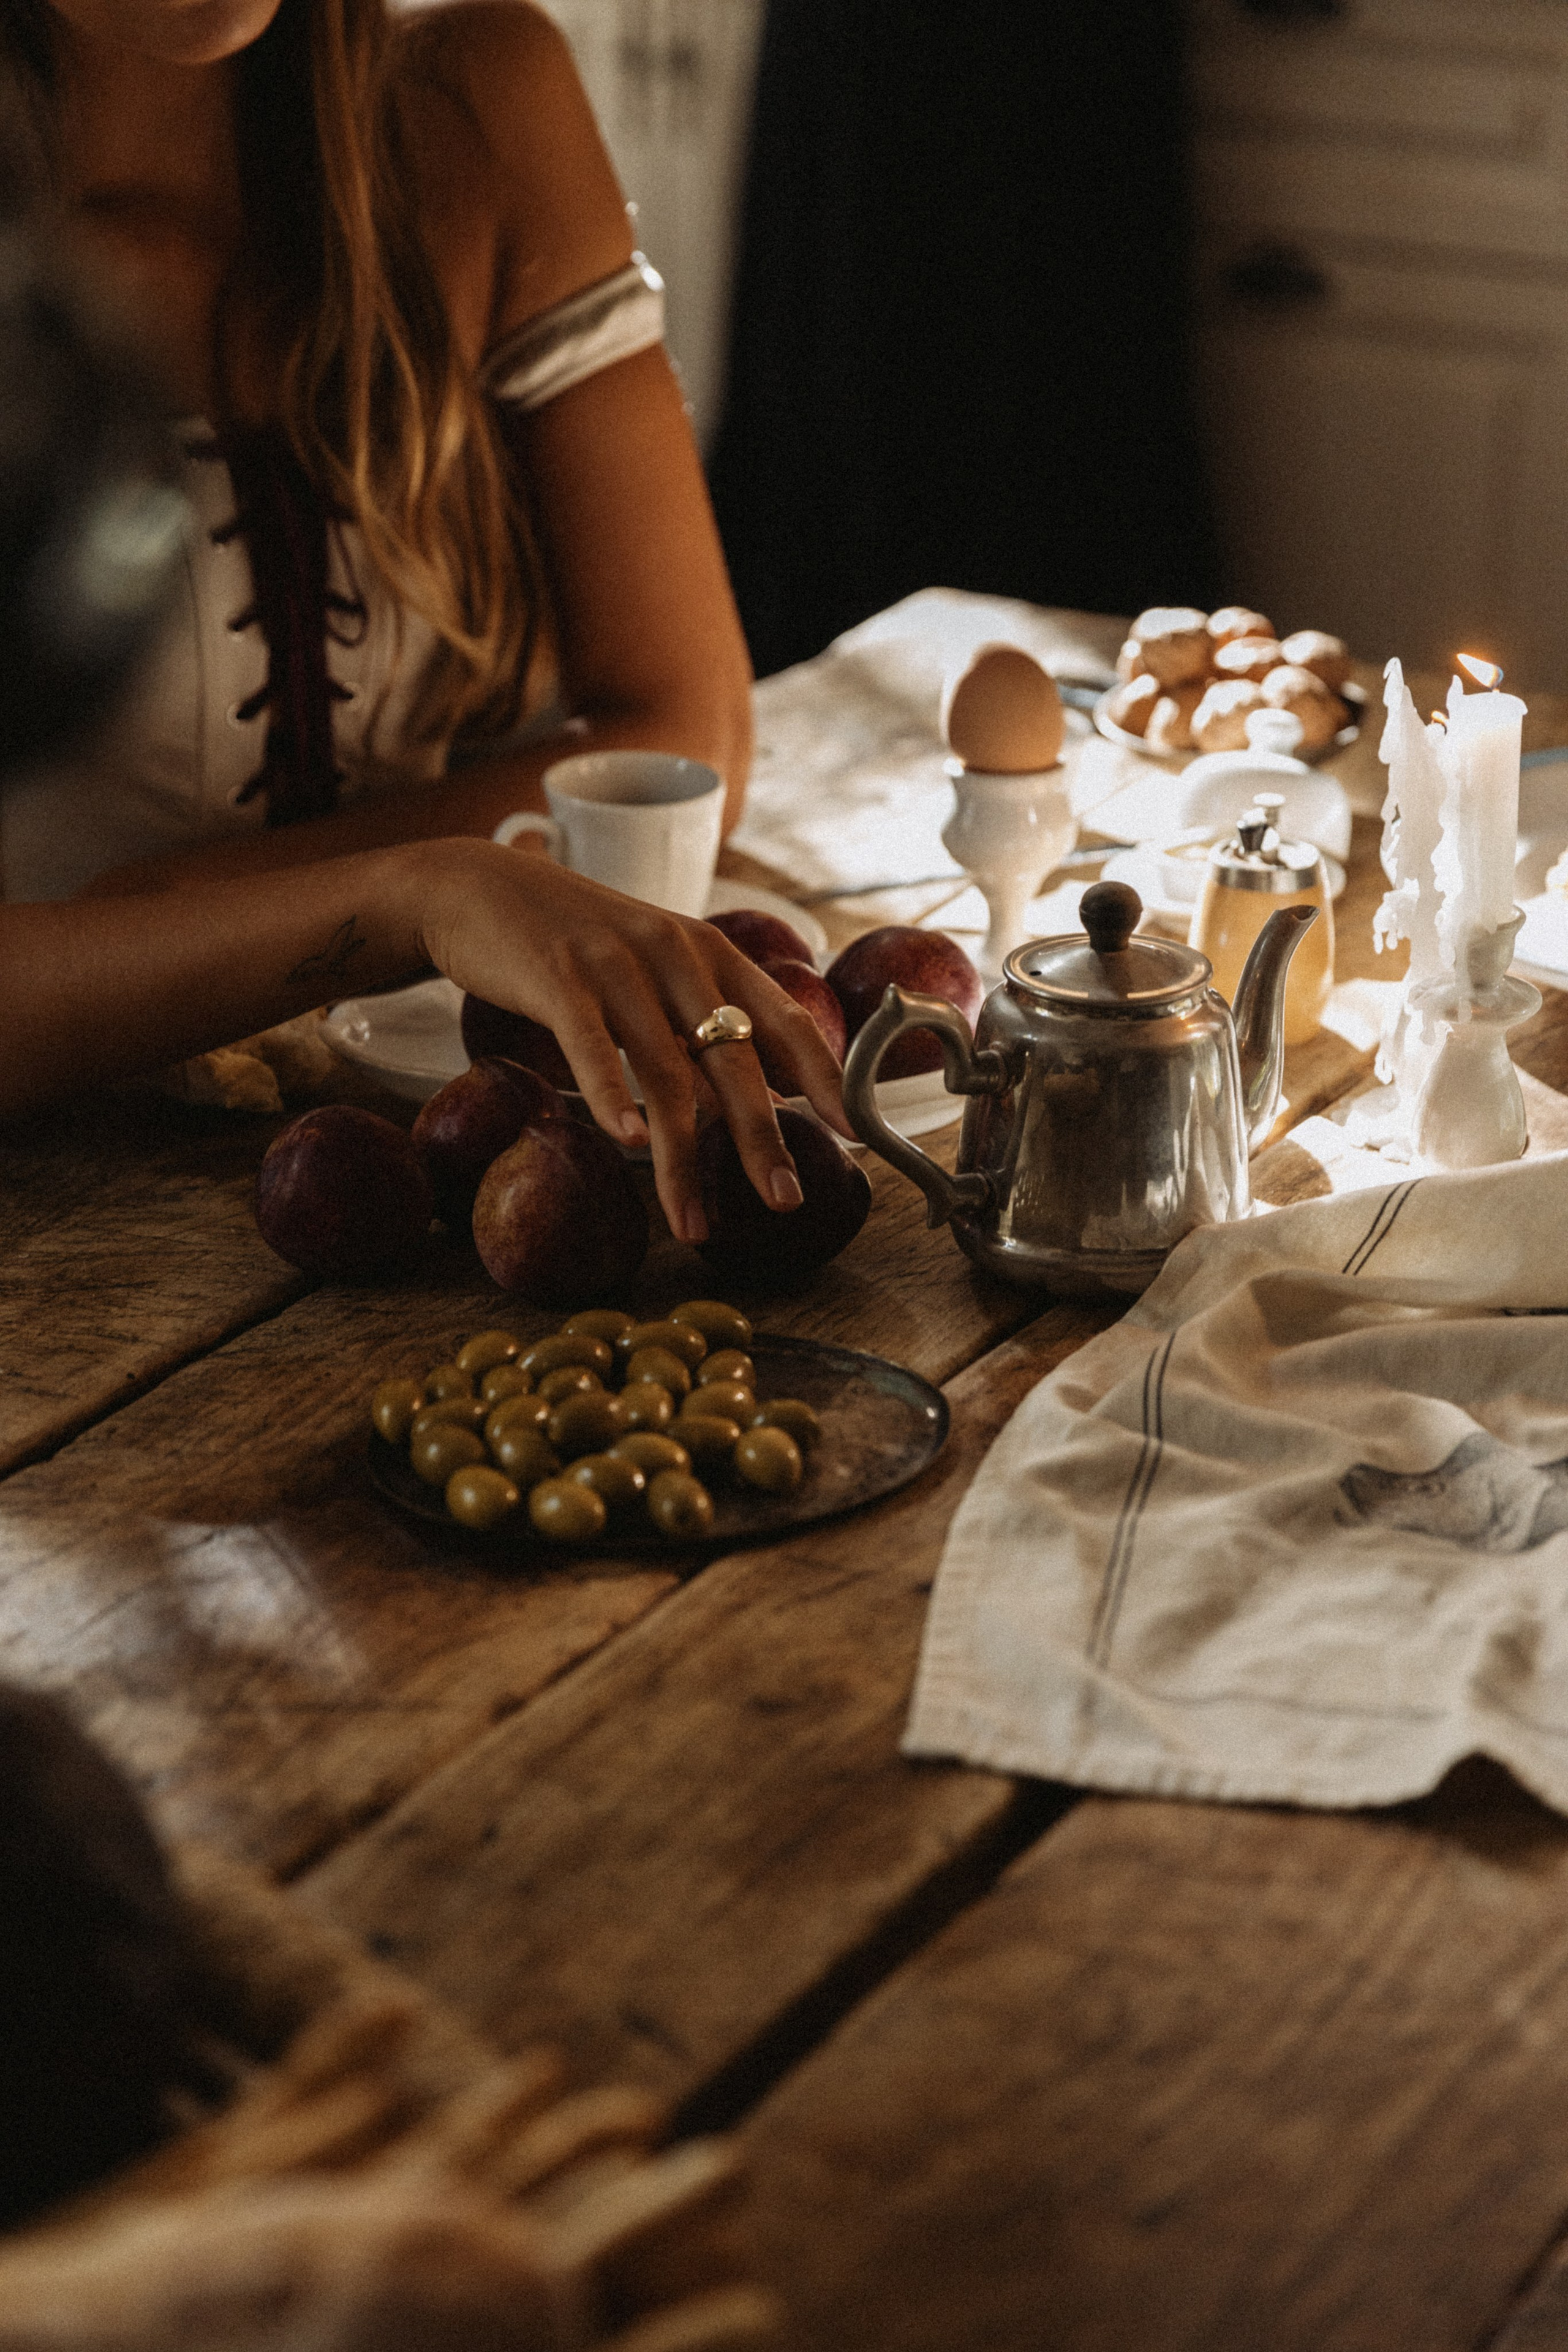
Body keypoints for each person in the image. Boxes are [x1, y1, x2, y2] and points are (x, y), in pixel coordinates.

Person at [0, 0, 847, 1241]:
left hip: (426, 1175)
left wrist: (179, 904)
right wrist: (412, 895)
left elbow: (680, 732)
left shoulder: (473, 102)